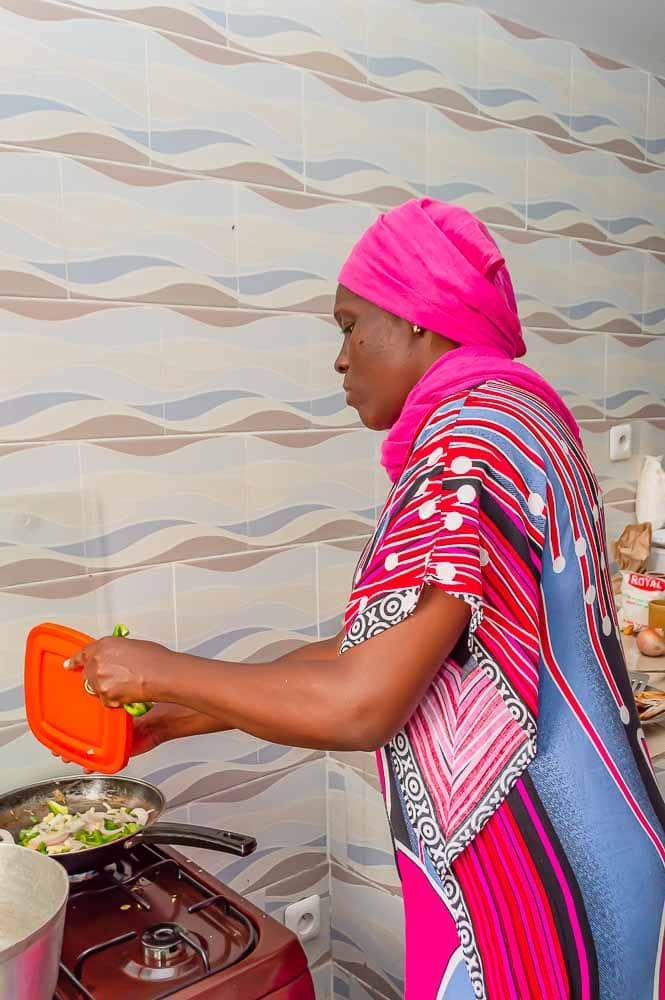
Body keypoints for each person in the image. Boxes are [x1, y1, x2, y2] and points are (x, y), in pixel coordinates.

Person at [66, 199, 665, 999]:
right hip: (597, 858)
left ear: (420, 322)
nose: (340, 360)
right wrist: (190, 711)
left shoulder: (463, 448)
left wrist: (158, 672)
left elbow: (363, 701)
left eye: (349, 326)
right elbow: (392, 652)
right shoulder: (518, 421)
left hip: (534, 889)